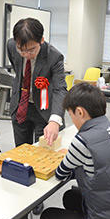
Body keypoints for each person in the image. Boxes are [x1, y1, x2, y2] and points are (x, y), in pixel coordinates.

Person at [40, 83, 110, 219]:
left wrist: (69, 158)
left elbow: (60, 174)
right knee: (70, 197)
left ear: (80, 112)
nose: (73, 121)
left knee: (48, 214)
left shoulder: (82, 142)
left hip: (107, 218)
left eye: (71, 115)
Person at [7, 17, 67, 148]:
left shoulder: (54, 57)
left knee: (43, 152)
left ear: (41, 40)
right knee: (21, 151)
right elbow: (18, 71)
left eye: (31, 50)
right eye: (21, 50)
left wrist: (55, 120)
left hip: (44, 110)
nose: (26, 54)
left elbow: (60, 89)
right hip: (20, 106)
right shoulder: (11, 46)